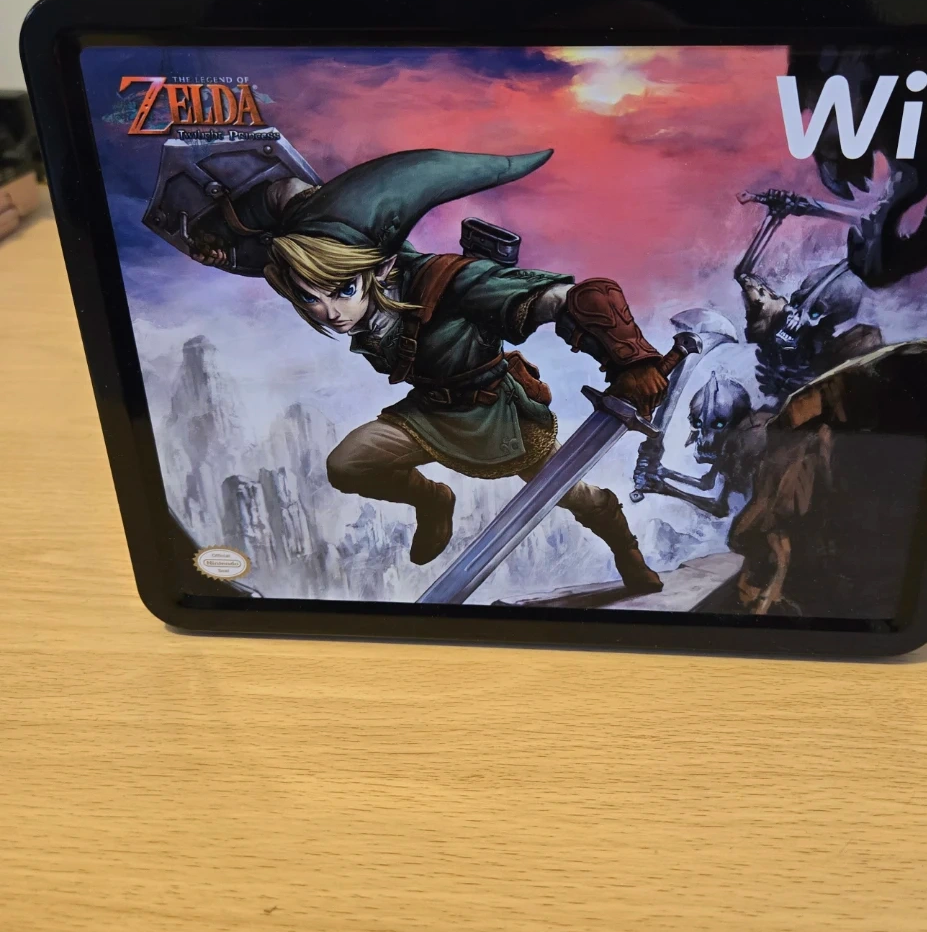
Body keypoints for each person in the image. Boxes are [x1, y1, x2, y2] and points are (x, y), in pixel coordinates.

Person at [189, 147, 668, 596]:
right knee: (348, 465)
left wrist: (632, 358)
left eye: (342, 291)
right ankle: (433, 500)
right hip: (427, 414)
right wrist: (224, 243)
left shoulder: (450, 282)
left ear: (382, 268)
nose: (329, 312)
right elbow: (285, 193)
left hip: (498, 416)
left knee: (577, 497)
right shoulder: (317, 268)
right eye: (311, 298)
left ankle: (626, 551)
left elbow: (575, 298)